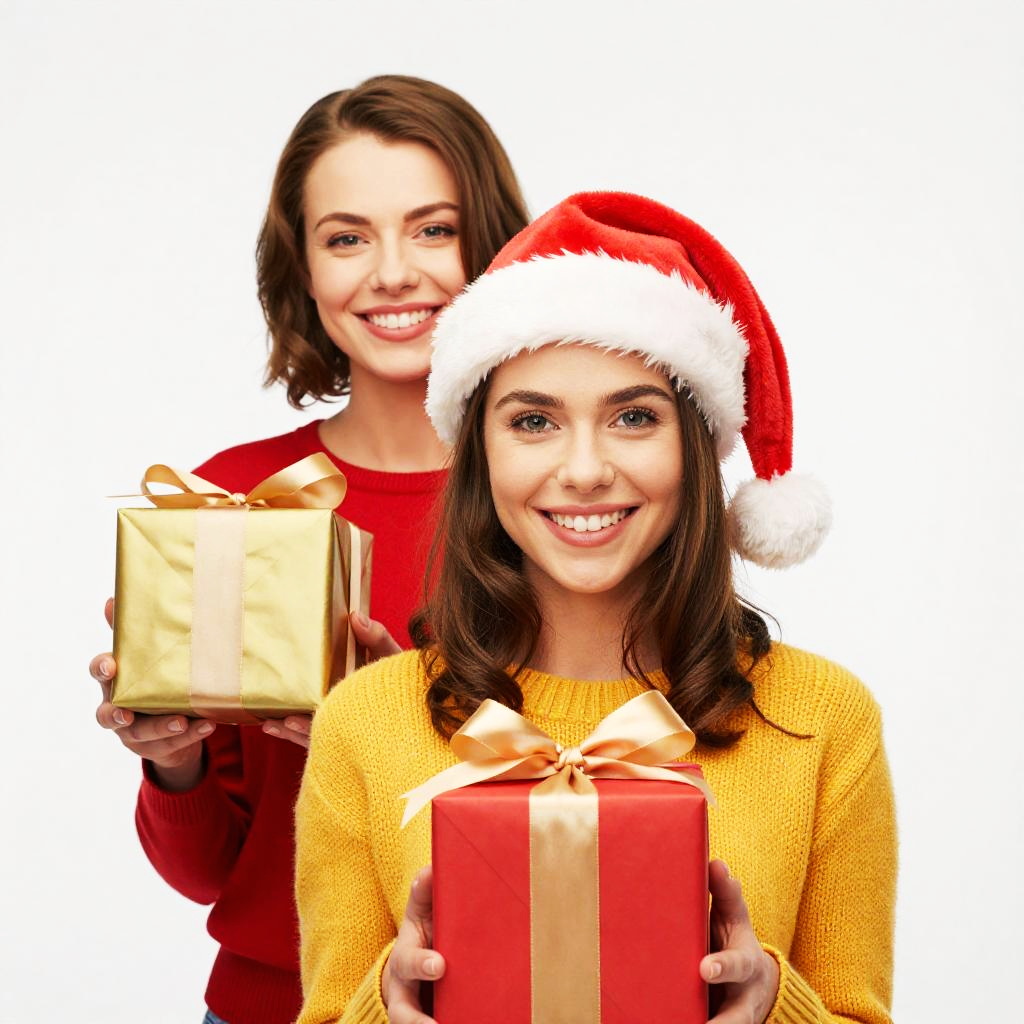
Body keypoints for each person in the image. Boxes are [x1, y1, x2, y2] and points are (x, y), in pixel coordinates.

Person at [293, 192, 897, 1024]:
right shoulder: (365, 720)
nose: (583, 470)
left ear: (695, 446)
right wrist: (383, 1008)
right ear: (481, 453)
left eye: (634, 417)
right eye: (534, 420)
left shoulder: (825, 720)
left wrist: (774, 1007)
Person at [87, 75, 530, 1024]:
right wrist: (173, 760)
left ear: (495, 249)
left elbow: (615, 805)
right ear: (304, 270)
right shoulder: (231, 501)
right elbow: (212, 875)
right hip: (273, 1007)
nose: (393, 273)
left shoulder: (568, 496)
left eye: (434, 229)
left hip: (513, 998)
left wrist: (392, 726)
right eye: (346, 238)